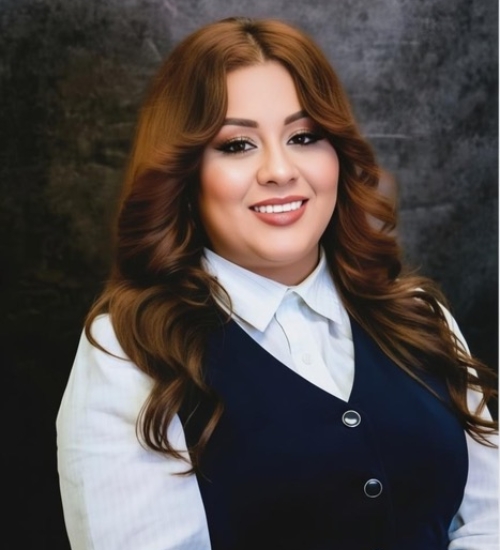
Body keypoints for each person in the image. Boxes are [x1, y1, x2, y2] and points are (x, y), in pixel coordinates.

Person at [56, 16, 498, 550]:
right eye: (237, 145)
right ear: (185, 174)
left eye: (304, 136)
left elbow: (490, 521)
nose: (280, 170)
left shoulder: (419, 314)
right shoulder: (131, 349)